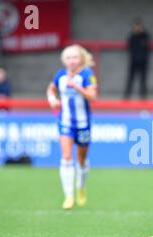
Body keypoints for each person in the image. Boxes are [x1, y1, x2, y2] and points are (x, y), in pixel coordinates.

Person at [46, 45, 97, 210]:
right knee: (66, 157)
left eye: (74, 57)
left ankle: (81, 187)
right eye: (68, 58)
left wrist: (76, 87)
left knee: (81, 160)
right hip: (65, 123)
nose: (72, 60)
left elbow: (93, 96)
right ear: (64, 60)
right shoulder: (60, 75)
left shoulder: (87, 74)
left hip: (83, 124)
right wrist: (52, 100)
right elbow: (51, 89)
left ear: (80, 59)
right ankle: (68, 196)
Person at [124, 19, 151, 99]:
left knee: (143, 79)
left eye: (139, 26)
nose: (137, 28)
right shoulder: (132, 36)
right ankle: (127, 96)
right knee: (130, 79)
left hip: (143, 62)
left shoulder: (145, 36)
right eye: (136, 26)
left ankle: (143, 97)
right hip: (133, 61)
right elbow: (129, 47)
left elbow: (148, 46)